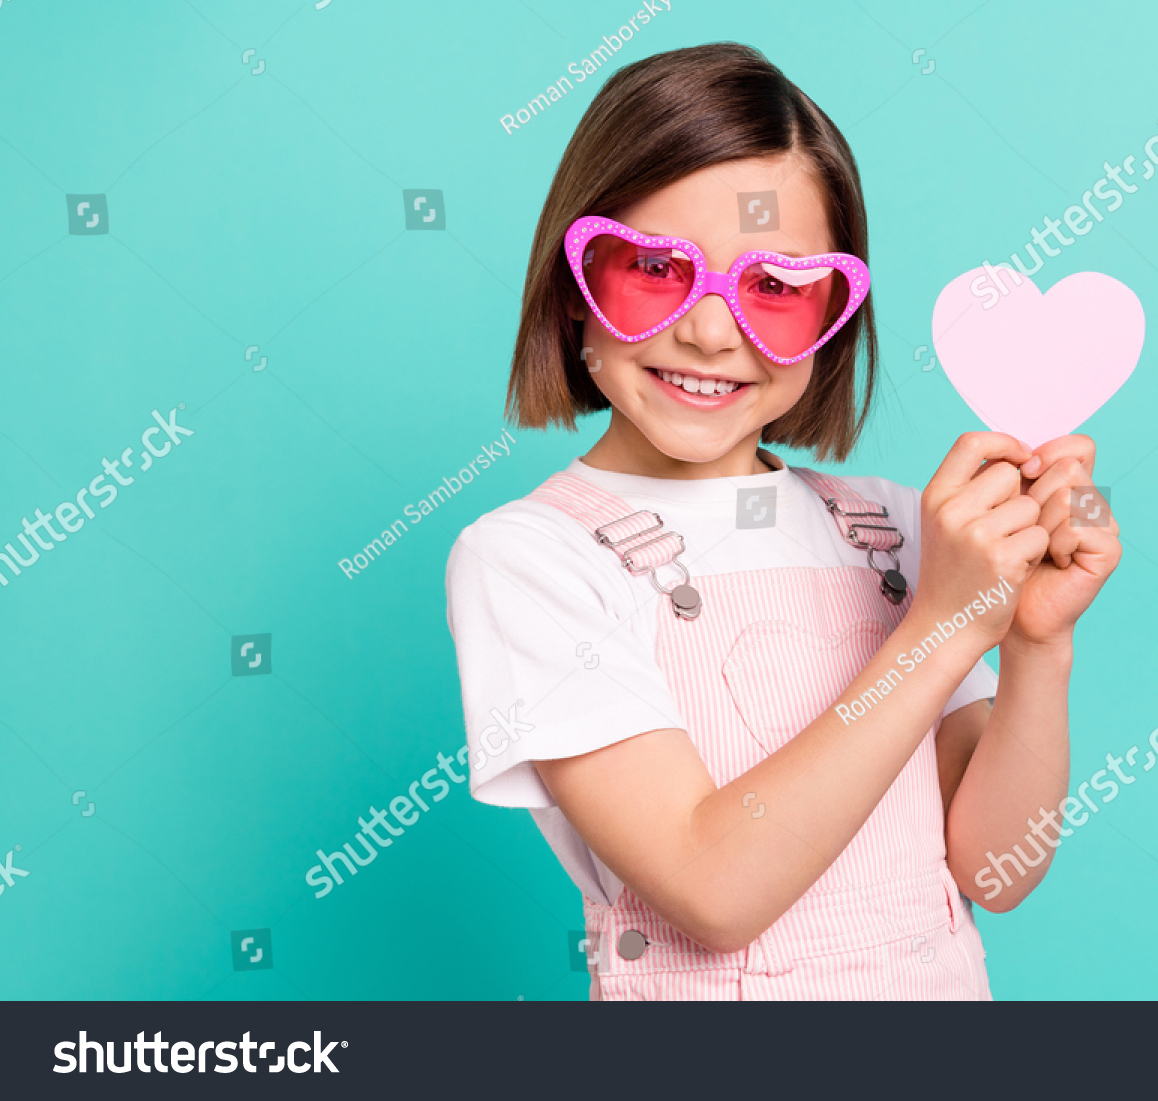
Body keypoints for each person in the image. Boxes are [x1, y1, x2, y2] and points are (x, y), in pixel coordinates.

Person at [446, 42, 1121, 1000]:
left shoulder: (885, 529)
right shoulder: (531, 558)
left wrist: (1039, 645)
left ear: (833, 320)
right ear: (572, 287)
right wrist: (945, 623)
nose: (713, 331)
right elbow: (715, 886)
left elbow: (991, 869)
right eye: (653, 268)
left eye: (775, 287)